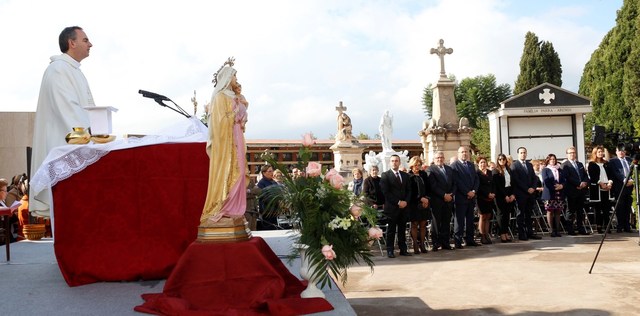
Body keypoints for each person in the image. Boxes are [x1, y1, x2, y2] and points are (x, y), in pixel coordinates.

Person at [31, 26, 96, 217]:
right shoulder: (58, 69)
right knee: (69, 214)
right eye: (85, 40)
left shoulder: (73, 70)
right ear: (72, 43)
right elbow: (69, 111)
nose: (90, 44)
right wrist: (94, 141)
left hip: (75, 152)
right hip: (67, 153)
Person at [200, 58, 249, 226]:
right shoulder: (220, 97)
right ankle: (225, 208)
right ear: (227, 78)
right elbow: (219, 122)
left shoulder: (235, 96)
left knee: (241, 172)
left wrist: (241, 112)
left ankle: (235, 209)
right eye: (234, 76)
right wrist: (236, 111)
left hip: (237, 137)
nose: (236, 79)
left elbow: (242, 118)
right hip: (227, 142)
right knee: (233, 173)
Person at [380, 154, 412, 258]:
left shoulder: (405, 175)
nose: (394, 162)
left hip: (404, 208)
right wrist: (398, 202)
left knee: (402, 230)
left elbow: (409, 190)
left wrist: (406, 202)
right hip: (392, 208)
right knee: (391, 231)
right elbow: (386, 192)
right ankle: (390, 250)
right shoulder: (385, 175)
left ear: (399, 162)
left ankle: (403, 249)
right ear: (390, 162)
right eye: (393, 161)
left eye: (396, 161)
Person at [510, 147, 542, 240]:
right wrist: (526, 189)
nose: (523, 154)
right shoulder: (514, 165)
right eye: (521, 153)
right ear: (518, 154)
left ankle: (529, 232)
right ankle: (521, 233)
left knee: (529, 214)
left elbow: (534, 178)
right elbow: (516, 180)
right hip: (521, 194)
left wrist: (533, 187)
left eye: (524, 152)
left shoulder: (529, 165)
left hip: (530, 194)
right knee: (521, 214)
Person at [451, 146, 480, 248]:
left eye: (466, 152)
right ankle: (458, 242)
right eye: (462, 152)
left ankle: (470, 240)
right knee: (459, 221)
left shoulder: (471, 165)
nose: (464, 153)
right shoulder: (454, 165)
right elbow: (457, 182)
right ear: (458, 154)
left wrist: (473, 191)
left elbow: (476, 179)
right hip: (460, 198)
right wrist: (467, 192)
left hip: (471, 198)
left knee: (470, 220)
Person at [428, 151, 455, 251]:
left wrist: (451, 194)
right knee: (436, 223)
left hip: (448, 200)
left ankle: (445, 242)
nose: (440, 159)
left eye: (441, 157)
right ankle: (435, 243)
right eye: (437, 158)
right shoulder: (431, 169)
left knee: (446, 222)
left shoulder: (449, 169)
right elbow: (433, 185)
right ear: (434, 159)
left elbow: (454, 183)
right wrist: (444, 195)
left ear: (444, 158)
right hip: (437, 200)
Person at [561, 146, 590, 235]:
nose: (572, 154)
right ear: (567, 154)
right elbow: (567, 177)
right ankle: (570, 229)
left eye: (574, 152)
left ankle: (580, 228)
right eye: (570, 153)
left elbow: (585, 175)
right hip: (571, 191)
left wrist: (584, 182)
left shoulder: (580, 164)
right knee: (570, 211)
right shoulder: (565, 165)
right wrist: (578, 184)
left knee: (580, 211)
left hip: (581, 191)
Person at [587, 145, 613, 233]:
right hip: (597, 188)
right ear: (595, 153)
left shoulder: (606, 163)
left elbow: (610, 175)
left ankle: (607, 226)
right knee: (598, 209)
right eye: (599, 152)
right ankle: (598, 226)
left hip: (607, 187)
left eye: (602, 152)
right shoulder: (591, 164)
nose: (601, 153)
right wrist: (600, 183)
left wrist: (609, 182)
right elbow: (592, 176)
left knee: (606, 208)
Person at [407, 156, 430, 254]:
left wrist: (427, 199)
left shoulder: (423, 174)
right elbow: (410, 191)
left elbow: (428, 187)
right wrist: (420, 198)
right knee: (415, 224)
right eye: (415, 165)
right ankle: (415, 244)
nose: (417, 167)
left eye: (419, 165)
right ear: (412, 166)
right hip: (414, 203)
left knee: (423, 224)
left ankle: (422, 243)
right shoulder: (409, 176)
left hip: (425, 202)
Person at [609, 144, 633, 233]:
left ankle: (627, 225)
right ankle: (620, 225)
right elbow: (615, 173)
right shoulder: (613, 161)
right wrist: (624, 180)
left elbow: (634, 171)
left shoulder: (630, 160)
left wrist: (632, 180)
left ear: (625, 151)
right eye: (619, 151)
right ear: (616, 152)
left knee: (628, 206)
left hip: (630, 186)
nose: (621, 152)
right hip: (619, 187)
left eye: (622, 151)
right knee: (620, 206)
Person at [541, 154, 566, 237]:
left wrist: (561, 186)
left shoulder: (560, 169)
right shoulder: (545, 169)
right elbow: (546, 180)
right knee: (550, 211)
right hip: (549, 193)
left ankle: (557, 230)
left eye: (554, 159)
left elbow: (564, 179)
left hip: (559, 192)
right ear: (548, 160)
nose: (552, 160)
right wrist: (554, 188)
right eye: (551, 159)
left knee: (558, 211)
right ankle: (551, 230)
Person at [493, 154, 516, 242]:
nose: (502, 160)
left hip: (509, 194)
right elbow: (498, 186)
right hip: (500, 196)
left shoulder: (509, 170)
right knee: (501, 215)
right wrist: (505, 196)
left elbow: (513, 183)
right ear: (497, 160)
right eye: (500, 159)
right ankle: (502, 233)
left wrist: (513, 194)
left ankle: (506, 232)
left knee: (507, 215)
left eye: (503, 159)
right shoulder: (495, 171)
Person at [476, 156, 495, 244]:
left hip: (490, 198)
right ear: (478, 164)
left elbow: (493, 184)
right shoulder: (477, 173)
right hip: (481, 197)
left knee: (488, 216)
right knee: (482, 216)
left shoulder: (490, 172)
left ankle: (487, 234)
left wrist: (493, 193)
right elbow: (478, 186)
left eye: (484, 162)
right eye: (481, 162)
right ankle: (482, 235)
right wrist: (487, 194)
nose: (483, 164)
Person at [257, 165, 278, 230]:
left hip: (275, 210)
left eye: (272, 171)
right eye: (270, 171)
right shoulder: (261, 183)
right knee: (268, 228)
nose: (272, 173)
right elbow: (263, 196)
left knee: (275, 228)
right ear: (264, 173)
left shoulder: (274, 182)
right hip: (266, 210)